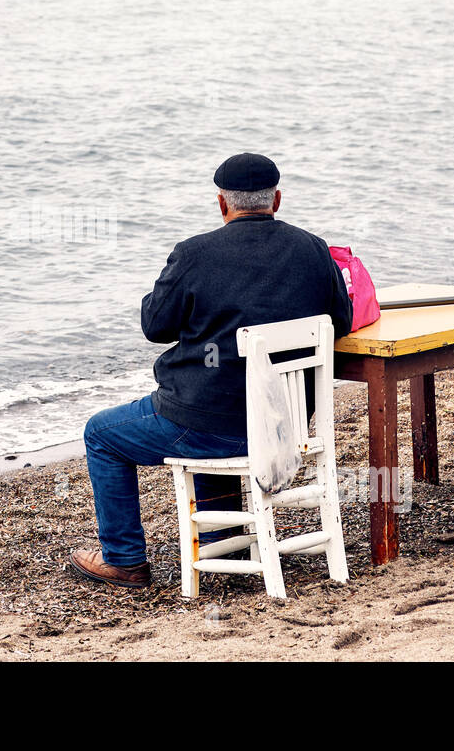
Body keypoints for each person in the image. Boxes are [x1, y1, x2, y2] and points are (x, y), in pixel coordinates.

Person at [69, 153, 354, 588]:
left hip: (209, 425)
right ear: (276, 200)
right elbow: (342, 321)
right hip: (286, 423)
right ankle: (226, 537)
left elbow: (155, 326)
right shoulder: (314, 249)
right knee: (207, 401)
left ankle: (124, 560)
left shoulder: (193, 254)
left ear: (222, 204)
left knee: (102, 434)